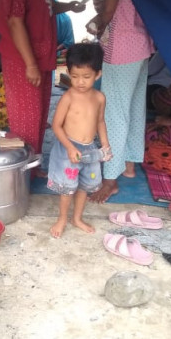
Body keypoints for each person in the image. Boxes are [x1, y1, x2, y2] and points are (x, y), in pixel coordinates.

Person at [0, 0, 86, 160]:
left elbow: (44, 6)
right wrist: (30, 64)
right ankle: (21, 173)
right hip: (24, 59)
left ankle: (32, 167)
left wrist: (69, 6)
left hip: (40, 57)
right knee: (25, 119)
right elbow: (15, 21)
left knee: (37, 115)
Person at [86, 0, 155, 203]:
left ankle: (110, 180)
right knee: (135, 109)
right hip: (141, 44)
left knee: (114, 114)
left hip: (121, 49)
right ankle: (129, 166)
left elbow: (107, 11)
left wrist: (95, 24)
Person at [47, 43, 111, 238]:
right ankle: (62, 218)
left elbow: (100, 122)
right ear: (68, 72)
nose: (80, 82)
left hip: (90, 150)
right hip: (68, 150)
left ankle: (77, 218)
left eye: (86, 77)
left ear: (97, 74)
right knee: (67, 188)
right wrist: (68, 147)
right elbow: (56, 126)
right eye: (75, 77)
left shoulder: (99, 97)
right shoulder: (68, 97)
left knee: (84, 186)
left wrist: (106, 145)